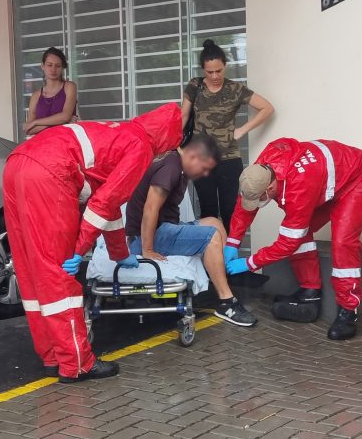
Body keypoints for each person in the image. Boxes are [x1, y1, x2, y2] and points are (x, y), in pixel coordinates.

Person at [3, 103, 182, 383]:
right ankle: (76, 363)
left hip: (17, 163)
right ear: (166, 141)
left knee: (30, 266)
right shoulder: (141, 148)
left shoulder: (120, 132)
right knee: (59, 273)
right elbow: (103, 204)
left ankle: (53, 355)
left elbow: (107, 205)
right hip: (51, 172)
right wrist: (79, 249)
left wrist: (120, 253)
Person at [224, 137, 362, 341]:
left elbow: (289, 243)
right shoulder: (260, 171)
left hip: (354, 180)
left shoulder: (299, 185)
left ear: (270, 189)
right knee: (298, 231)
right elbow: (245, 206)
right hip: (326, 182)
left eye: (259, 199)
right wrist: (232, 242)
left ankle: (349, 312)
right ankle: (310, 292)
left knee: (342, 243)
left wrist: (249, 262)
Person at [125, 135, 259, 327]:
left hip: (163, 229)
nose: (204, 174)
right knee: (210, 237)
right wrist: (148, 249)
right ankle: (226, 303)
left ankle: (220, 281)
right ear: (193, 156)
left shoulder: (176, 165)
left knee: (214, 223)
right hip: (145, 237)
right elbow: (150, 208)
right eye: (204, 168)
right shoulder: (171, 167)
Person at [181, 39, 274, 233]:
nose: (215, 76)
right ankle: (211, 258)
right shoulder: (194, 86)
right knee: (208, 212)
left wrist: (243, 129)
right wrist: (175, 147)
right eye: (209, 72)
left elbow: (267, 108)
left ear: (225, 66)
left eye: (219, 70)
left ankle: (227, 257)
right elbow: (183, 116)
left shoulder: (236, 89)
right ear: (203, 70)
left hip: (229, 160)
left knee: (230, 212)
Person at [23, 47, 77, 136]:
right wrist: (60, 122)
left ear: (63, 67)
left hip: (66, 143)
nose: (53, 69)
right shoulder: (36, 96)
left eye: (57, 66)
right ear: (42, 66)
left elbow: (65, 116)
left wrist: (36, 122)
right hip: (43, 145)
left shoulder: (69, 87)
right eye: (49, 65)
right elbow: (29, 129)